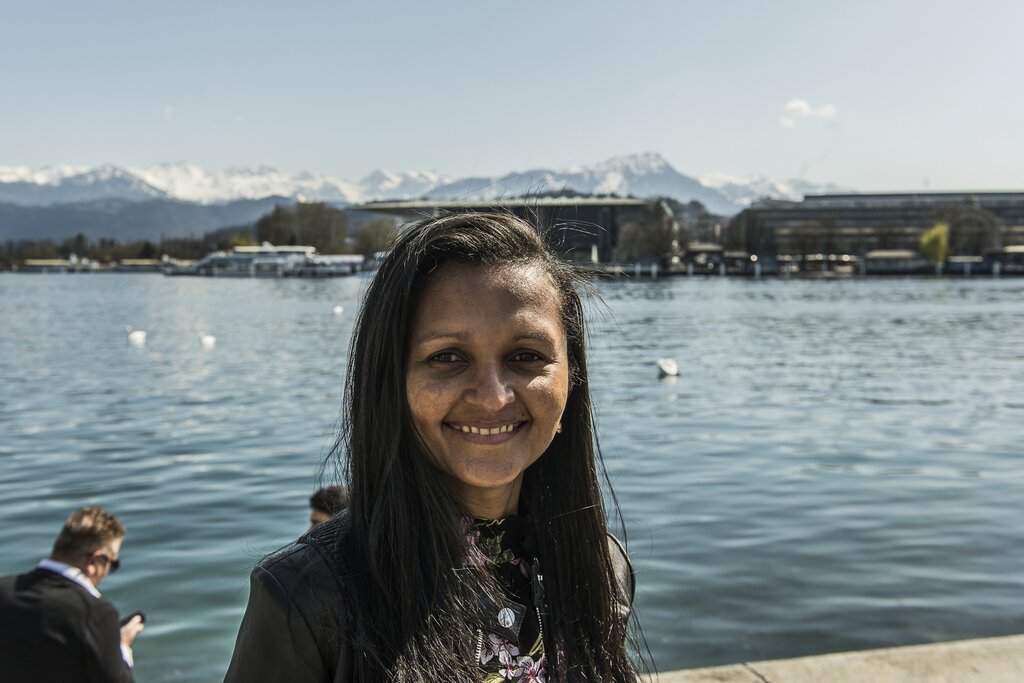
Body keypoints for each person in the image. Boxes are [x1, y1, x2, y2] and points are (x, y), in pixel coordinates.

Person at [226, 212, 639, 682]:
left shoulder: (600, 569)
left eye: (527, 355)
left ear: (572, 380)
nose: (493, 396)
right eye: (447, 357)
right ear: (391, 382)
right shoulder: (306, 601)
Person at [0, 506, 144, 682]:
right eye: (112, 564)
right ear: (95, 560)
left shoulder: (4, 590)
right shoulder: (95, 613)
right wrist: (121, 646)